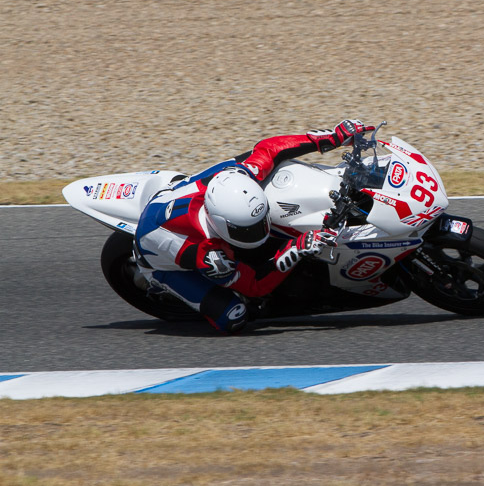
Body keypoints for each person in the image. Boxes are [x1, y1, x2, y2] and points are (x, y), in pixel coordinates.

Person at [134, 120, 373, 332]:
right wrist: (296, 247)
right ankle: (159, 284)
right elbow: (255, 285)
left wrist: (331, 138)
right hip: (160, 261)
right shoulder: (210, 255)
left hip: (172, 198)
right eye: (247, 230)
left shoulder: (236, 176)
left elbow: (270, 148)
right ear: (220, 224)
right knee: (234, 316)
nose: (259, 232)